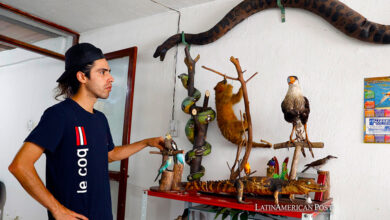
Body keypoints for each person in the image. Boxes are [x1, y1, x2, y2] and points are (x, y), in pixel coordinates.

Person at [8, 43, 164, 220]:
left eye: (109, 72)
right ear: (82, 76)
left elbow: (109, 154)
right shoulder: (59, 115)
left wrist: (146, 142)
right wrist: (57, 210)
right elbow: (20, 166)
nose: (111, 78)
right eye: (102, 72)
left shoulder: (100, 119)